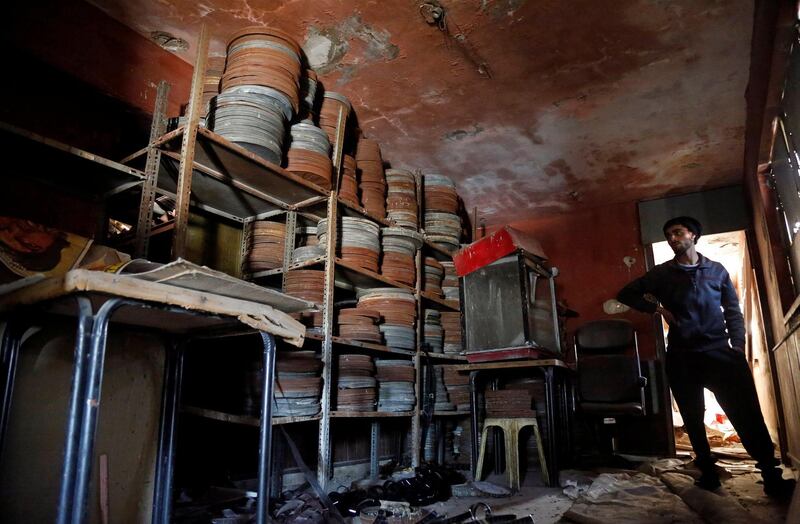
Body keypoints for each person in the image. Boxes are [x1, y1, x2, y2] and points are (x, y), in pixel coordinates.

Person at [617, 216, 796, 497]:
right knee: (691, 416)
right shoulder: (662, 274)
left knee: (745, 412)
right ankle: (708, 472)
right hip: (682, 356)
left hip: (719, 353)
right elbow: (627, 293)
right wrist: (658, 310)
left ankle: (770, 475)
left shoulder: (717, 271)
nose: (673, 239)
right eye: (668, 235)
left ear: (693, 236)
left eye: (677, 233)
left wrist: (736, 346)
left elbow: (733, 311)